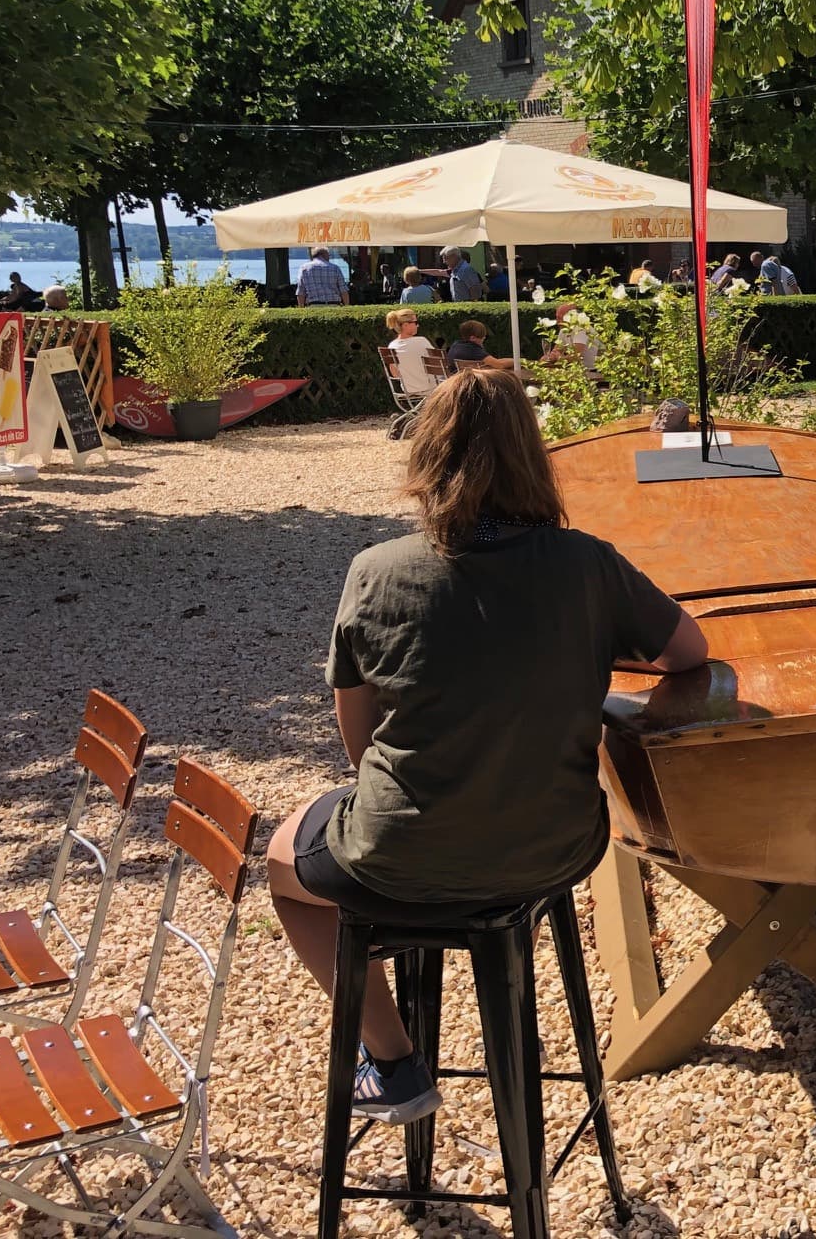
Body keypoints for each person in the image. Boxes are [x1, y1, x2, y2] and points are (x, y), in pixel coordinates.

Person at [265, 369, 708, 1123]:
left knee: (281, 862)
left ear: (427, 460)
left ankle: (394, 1059)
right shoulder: (586, 564)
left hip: (399, 850)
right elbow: (687, 651)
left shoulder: (376, 572)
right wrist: (577, 651)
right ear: (533, 459)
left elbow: (357, 738)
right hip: (554, 847)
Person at [384, 310, 441, 397]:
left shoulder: (392, 346)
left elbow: (395, 375)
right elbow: (439, 365)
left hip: (409, 389)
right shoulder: (422, 341)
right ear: (405, 325)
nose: (418, 325)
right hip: (432, 388)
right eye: (415, 322)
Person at [444, 319, 515, 371]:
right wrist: (519, 361)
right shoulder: (473, 350)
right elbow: (499, 365)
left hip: (456, 380)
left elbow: (493, 361)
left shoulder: (456, 345)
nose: (484, 339)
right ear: (473, 338)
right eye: (482, 337)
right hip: (473, 384)